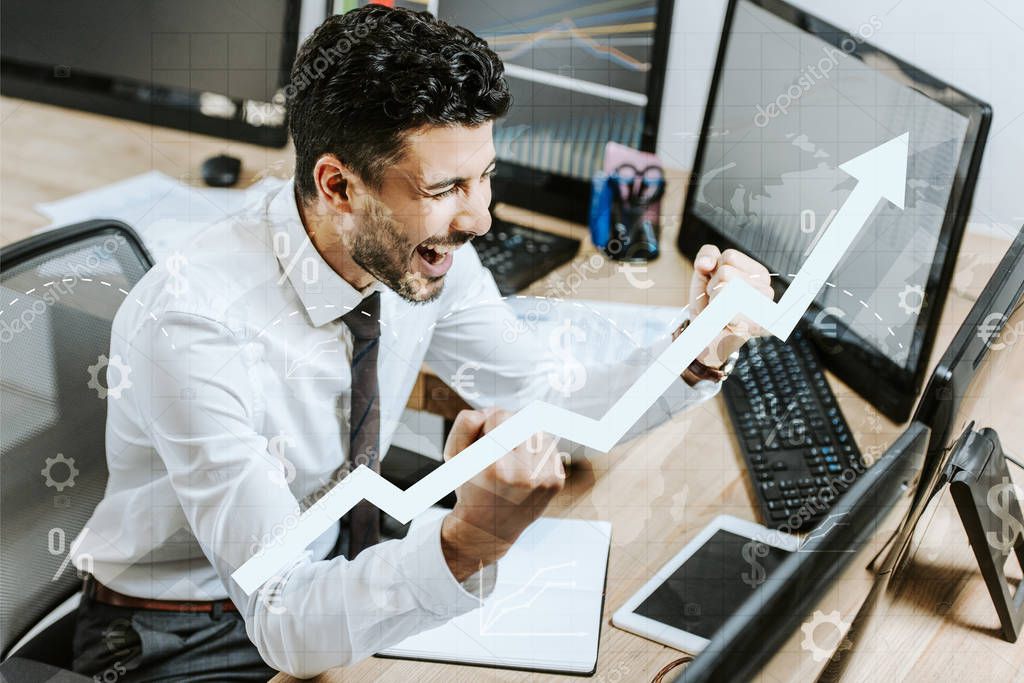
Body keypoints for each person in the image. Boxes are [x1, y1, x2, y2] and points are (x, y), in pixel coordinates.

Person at [70, 5, 774, 680]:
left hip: (334, 566)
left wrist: (699, 347)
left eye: (485, 176)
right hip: (179, 633)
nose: (482, 219)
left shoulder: (423, 253)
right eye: (445, 187)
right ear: (339, 186)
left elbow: (549, 404)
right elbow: (282, 617)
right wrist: (471, 542)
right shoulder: (196, 326)